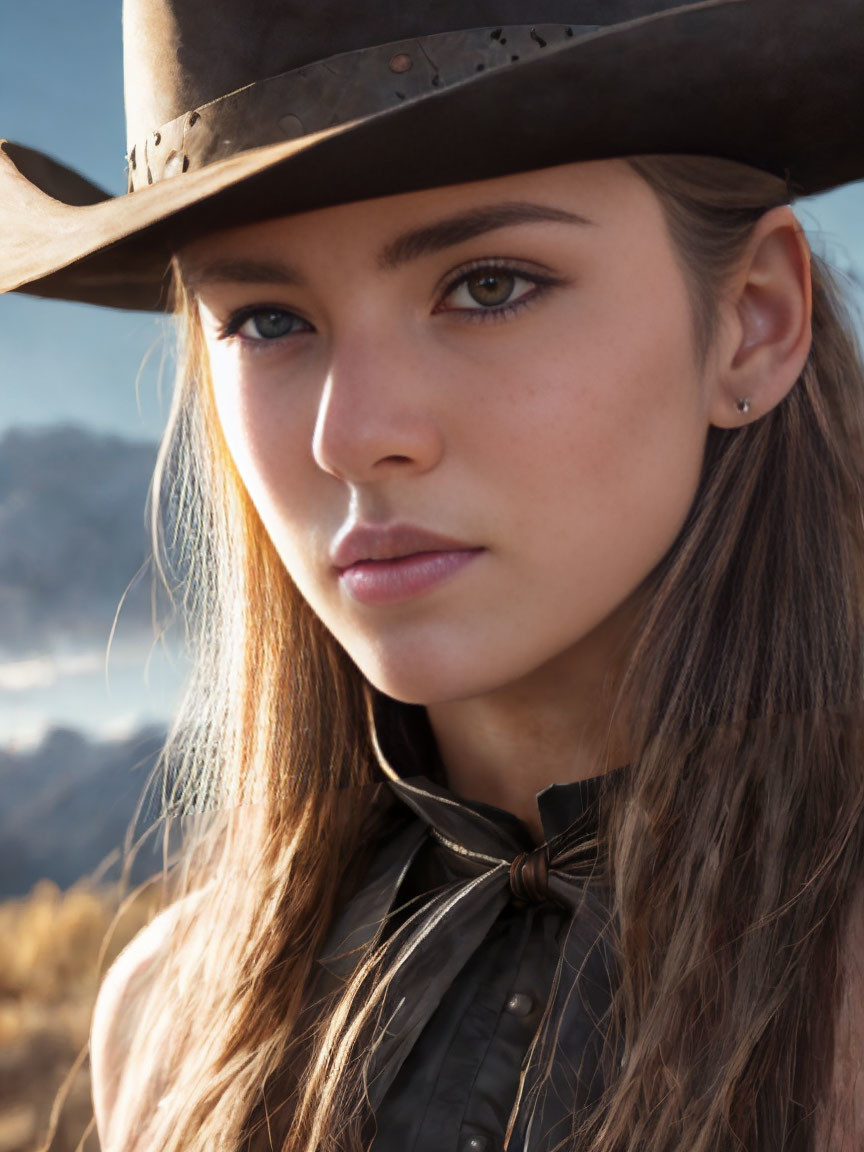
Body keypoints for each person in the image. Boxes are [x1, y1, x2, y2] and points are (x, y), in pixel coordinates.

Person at [2, 2, 864, 1150]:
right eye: (266, 320)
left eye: (489, 286)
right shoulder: (170, 1025)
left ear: (754, 320)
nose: (351, 435)